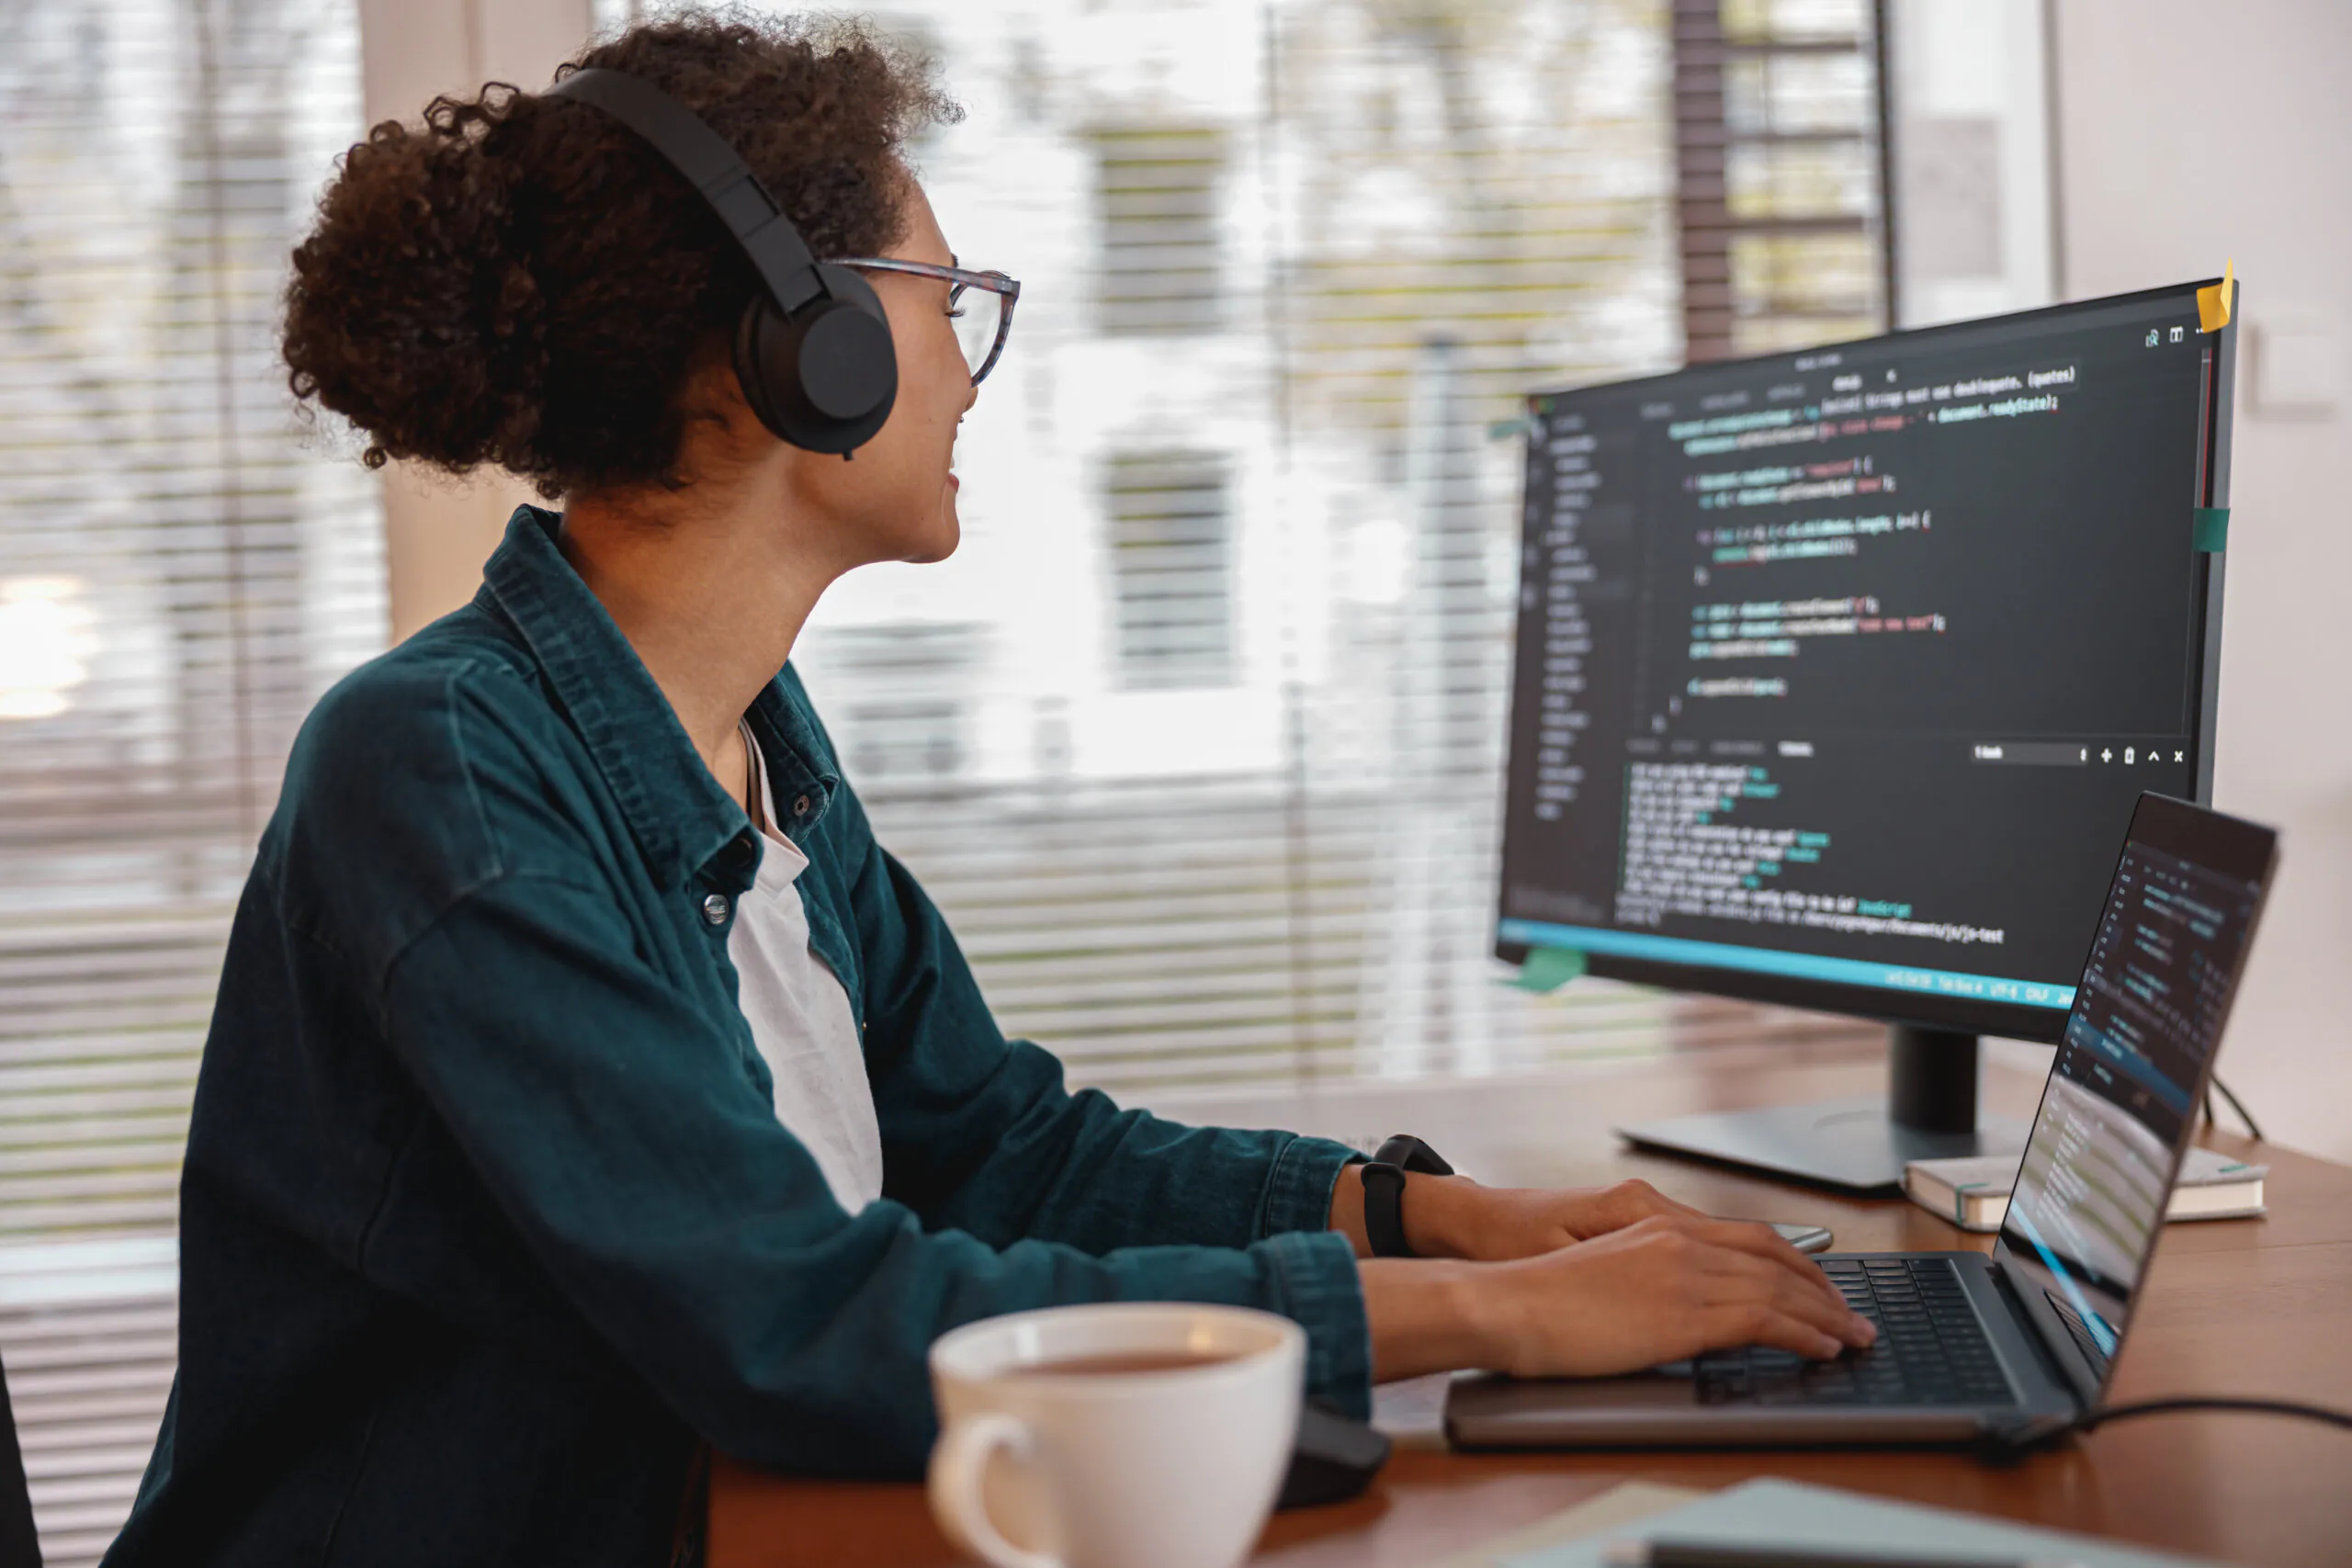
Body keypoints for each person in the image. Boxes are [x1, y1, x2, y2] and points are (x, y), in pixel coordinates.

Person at [101, 16, 1871, 1566]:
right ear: (806, 351)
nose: (966, 361)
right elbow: (794, 1317)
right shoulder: (444, 770)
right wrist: (1492, 1319)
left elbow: (995, 1145)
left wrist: (1433, 1212)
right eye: (944, 300)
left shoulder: (749, 731)